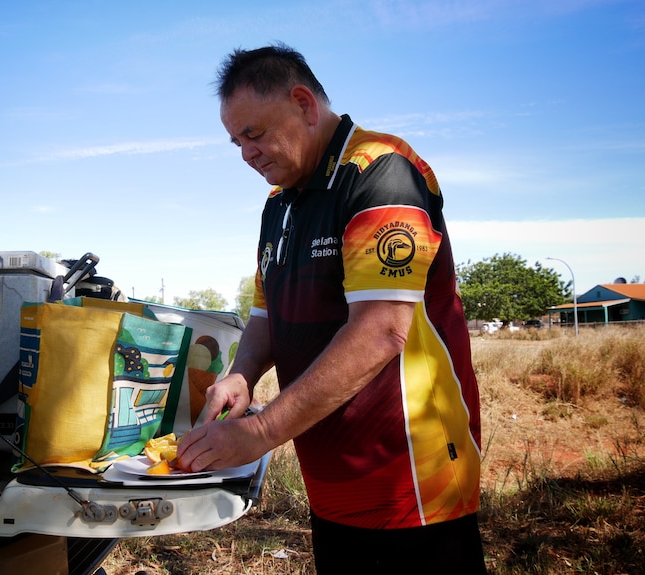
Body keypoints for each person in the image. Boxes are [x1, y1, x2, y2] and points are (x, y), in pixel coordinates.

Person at [176, 43, 487, 574]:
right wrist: (242, 375)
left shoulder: (381, 172)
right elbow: (265, 314)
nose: (246, 154)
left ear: (304, 103)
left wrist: (258, 433)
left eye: (254, 134)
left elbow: (382, 331)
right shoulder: (280, 203)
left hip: (412, 475)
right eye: (235, 141)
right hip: (330, 474)